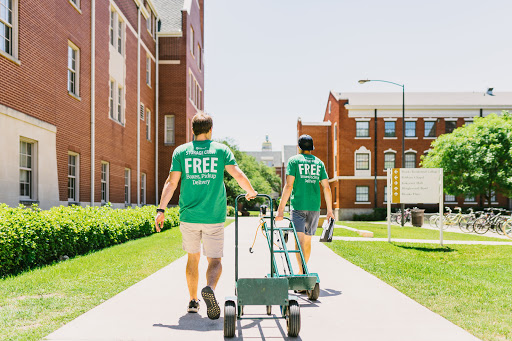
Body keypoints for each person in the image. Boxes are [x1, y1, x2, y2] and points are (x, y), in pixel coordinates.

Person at [155, 112, 257, 320]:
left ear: (193, 130)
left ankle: (193, 301)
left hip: (189, 217)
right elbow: (236, 173)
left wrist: (161, 209)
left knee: (193, 258)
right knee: (215, 259)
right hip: (213, 216)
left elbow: (171, 182)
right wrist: (250, 191)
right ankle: (209, 288)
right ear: (211, 130)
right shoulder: (221, 150)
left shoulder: (181, 152)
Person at [276, 134, 334, 280]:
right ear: (312, 148)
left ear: (299, 147)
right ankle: (303, 273)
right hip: (314, 207)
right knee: (307, 242)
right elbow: (326, 187)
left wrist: (281, 209)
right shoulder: (319, 163)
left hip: (298, 207)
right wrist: (329, 210)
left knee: (299, 242)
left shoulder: (294, 161)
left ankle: (302, 275)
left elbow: (289, 185)